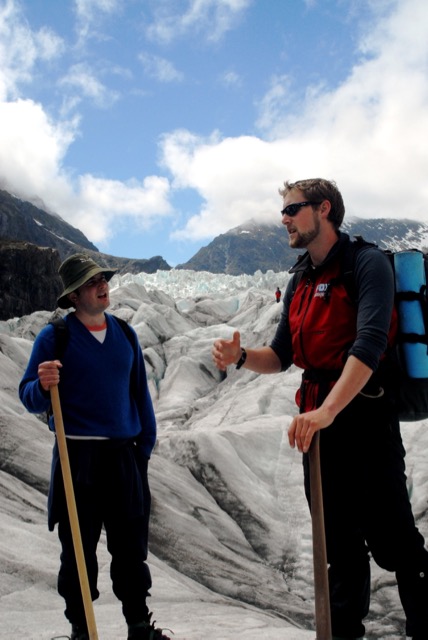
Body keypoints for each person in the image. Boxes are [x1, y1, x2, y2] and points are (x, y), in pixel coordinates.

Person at [212, 178, 428, 640]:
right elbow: (282, 355)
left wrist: (328, 410)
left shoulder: (365, 263)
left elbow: (369, 343)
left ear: (324, 208)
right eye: (283, 212)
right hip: (320, 431)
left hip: (366, 421)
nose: (284, 220)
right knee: (340, 548)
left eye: (292, 209)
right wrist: (242, 357)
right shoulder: (300, 279)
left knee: (396, 542)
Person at [19, 254, 171, 640]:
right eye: (92, 282)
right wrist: (42, 385)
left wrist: (143, 448)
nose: (103, 285)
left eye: (103, 278)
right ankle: (82, 630)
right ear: (73, 296)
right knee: (77, 552)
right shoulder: (55, 337)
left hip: (123, 456)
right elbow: (28, 395)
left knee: (130, 549)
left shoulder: (125, 333)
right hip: (77, 458)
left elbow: (140, 394)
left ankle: (139, 627)